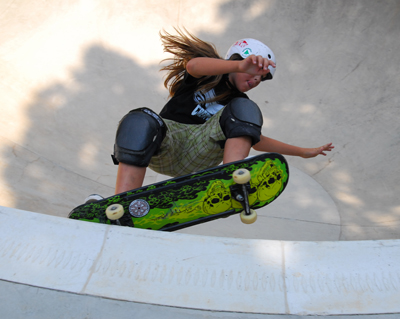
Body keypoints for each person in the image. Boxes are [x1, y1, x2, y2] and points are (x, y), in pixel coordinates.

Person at [104, 28, 334, 198]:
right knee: (140, 119)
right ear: (235, 61)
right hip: (167, 144)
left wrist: (303, 153)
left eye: (261, 79)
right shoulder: (208, 74)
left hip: (202, 149)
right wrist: (238, 66)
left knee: (244, 109)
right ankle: (121, 203)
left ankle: (230, 180)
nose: (255, 80)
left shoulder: (239, 106)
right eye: (253, 73)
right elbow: (193, 66)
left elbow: (257, 141)